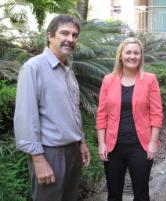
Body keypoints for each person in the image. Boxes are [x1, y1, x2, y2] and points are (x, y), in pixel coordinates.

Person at [14, 14, 90, 201]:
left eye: (74, 35)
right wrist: (38, 160)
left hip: (72, 151)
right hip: (50, 153)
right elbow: (25, 116)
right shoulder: (34, 68)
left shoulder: (68, 70)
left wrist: (81, 141)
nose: (70, 39)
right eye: (64, 33)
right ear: (50, 36)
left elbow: (72, 110)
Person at [96, 37, 163, 201]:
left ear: (141, 56)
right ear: (120, 55)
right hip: (113, 147)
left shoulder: (149, 80)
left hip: (140, 147)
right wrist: (102, 143)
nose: (132, 56)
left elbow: (156, 113)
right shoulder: (108, 80)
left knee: (141, 194)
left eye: (136, 53)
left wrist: (153, 142)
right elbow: (101, 114)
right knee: (114, 194)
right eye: (128, 52)